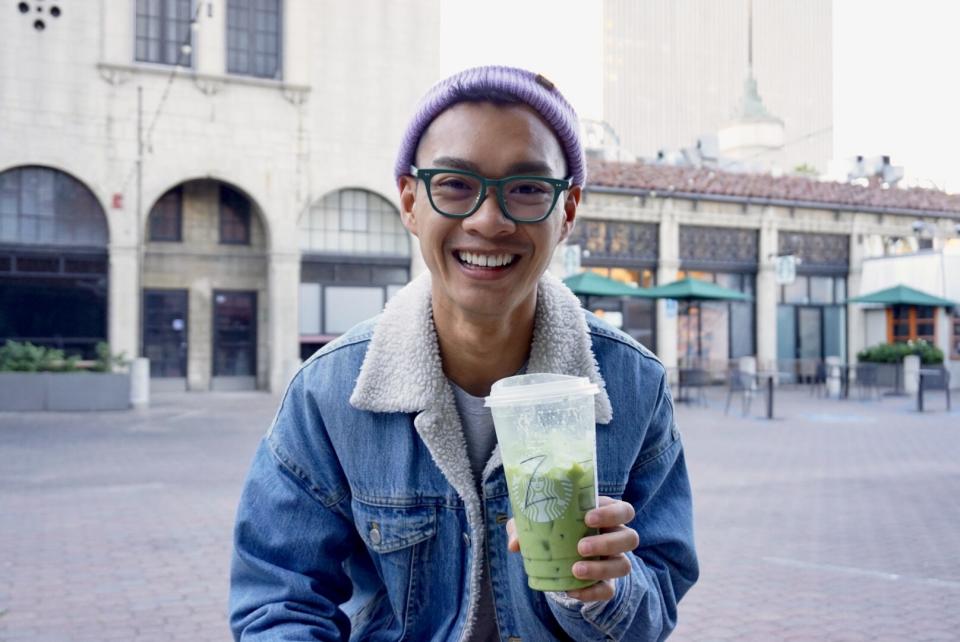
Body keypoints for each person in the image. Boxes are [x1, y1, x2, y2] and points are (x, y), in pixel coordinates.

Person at [229, 65, 699, 641]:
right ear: (410, 201)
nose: (487, 220)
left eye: (527, 189)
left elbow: (658, 602)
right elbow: (278, 602)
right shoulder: (330, 393)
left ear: (568, 211)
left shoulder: (631, 385)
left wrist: (605, 591)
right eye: (455, 185)